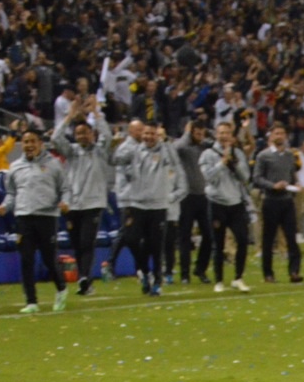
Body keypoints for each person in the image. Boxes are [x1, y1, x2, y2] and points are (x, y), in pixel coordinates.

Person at [0, 127, 69, 315]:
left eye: (32, 141)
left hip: (47, 217)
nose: (29, 145)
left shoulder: (54, 164)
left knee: (48, 259)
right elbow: (11, 193)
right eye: (26, 142)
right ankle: (31, 301)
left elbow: (65, 188)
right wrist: (5, 206)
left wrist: (64, 201)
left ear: (41, 143)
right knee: (26, 259)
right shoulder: (14, 167)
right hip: (23, 217)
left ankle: (61, 289)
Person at [112, 121, 182, 296]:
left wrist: (165, 142)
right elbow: (114, 160)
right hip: (136, 203)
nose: (149, 137)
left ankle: (157, 280)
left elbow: (174, 161)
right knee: (131, 239)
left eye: (153, 134)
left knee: (156, 245)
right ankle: (144, 271)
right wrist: (114, 144)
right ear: (141, 135)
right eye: (146, 134)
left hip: (158, 205)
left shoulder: (165, 151)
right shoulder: (134, 151)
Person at [52, 99, 113, 297]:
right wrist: (68, 117)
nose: (82, 136)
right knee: (77, 244)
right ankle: (83, 278)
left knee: (87, 242)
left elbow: (108, 135)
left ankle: (85, 277)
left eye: (85, 132)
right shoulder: (71, 152)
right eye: (78, 133)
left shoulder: (100, 151)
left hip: (93, 204)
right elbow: (55, 138)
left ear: (91, 134)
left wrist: (96, 114)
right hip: (73, 205)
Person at [201, 121, 254, 293]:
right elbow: (209, 177)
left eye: (227, 133)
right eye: (221, 132)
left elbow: (245, 176)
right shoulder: (208, 154)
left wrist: (235, 163)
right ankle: (219, 281)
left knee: (243, 240)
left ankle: (238, 278)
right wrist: (222, 163)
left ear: (231, 136)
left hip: (236, 202)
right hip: (217, 202)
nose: (224, 136)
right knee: (218, 243)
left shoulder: (237, 152)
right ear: (216, 134)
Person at [253, 122, 303, 284]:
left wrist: (295, 185)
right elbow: (257, 178)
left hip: (287, 200)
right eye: (276, 133)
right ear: (271, 136)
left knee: (291, 238)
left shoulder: (290, 156)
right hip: (270, 200)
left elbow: (292, 176)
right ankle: (268, 273)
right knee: (268, 239)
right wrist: (273, 186)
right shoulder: (263, 156)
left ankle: (294, 271)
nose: (279, 136)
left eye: (282, 133)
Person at [173, 119, 214, 282]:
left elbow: (217, 143)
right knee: (185, 236)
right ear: (191, 132)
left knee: (209, 235)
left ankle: (200, 269)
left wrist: (208, 132)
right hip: (187, 197)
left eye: (202, 133)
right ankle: (184, 274)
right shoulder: (184, 147)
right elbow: (176, 147)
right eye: (197, 133)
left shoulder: (205, 146)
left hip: (203, 196)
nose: (200, 136)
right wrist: (186, 133)